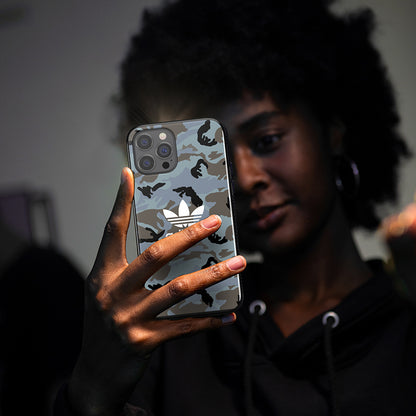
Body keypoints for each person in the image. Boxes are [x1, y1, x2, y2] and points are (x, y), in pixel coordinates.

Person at [54, 0, 416, 415]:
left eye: (267, 141)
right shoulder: (176, 337)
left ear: (332, 131)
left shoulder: (405, 322)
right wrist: (92, 391)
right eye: (219, 159)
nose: (244, 179)